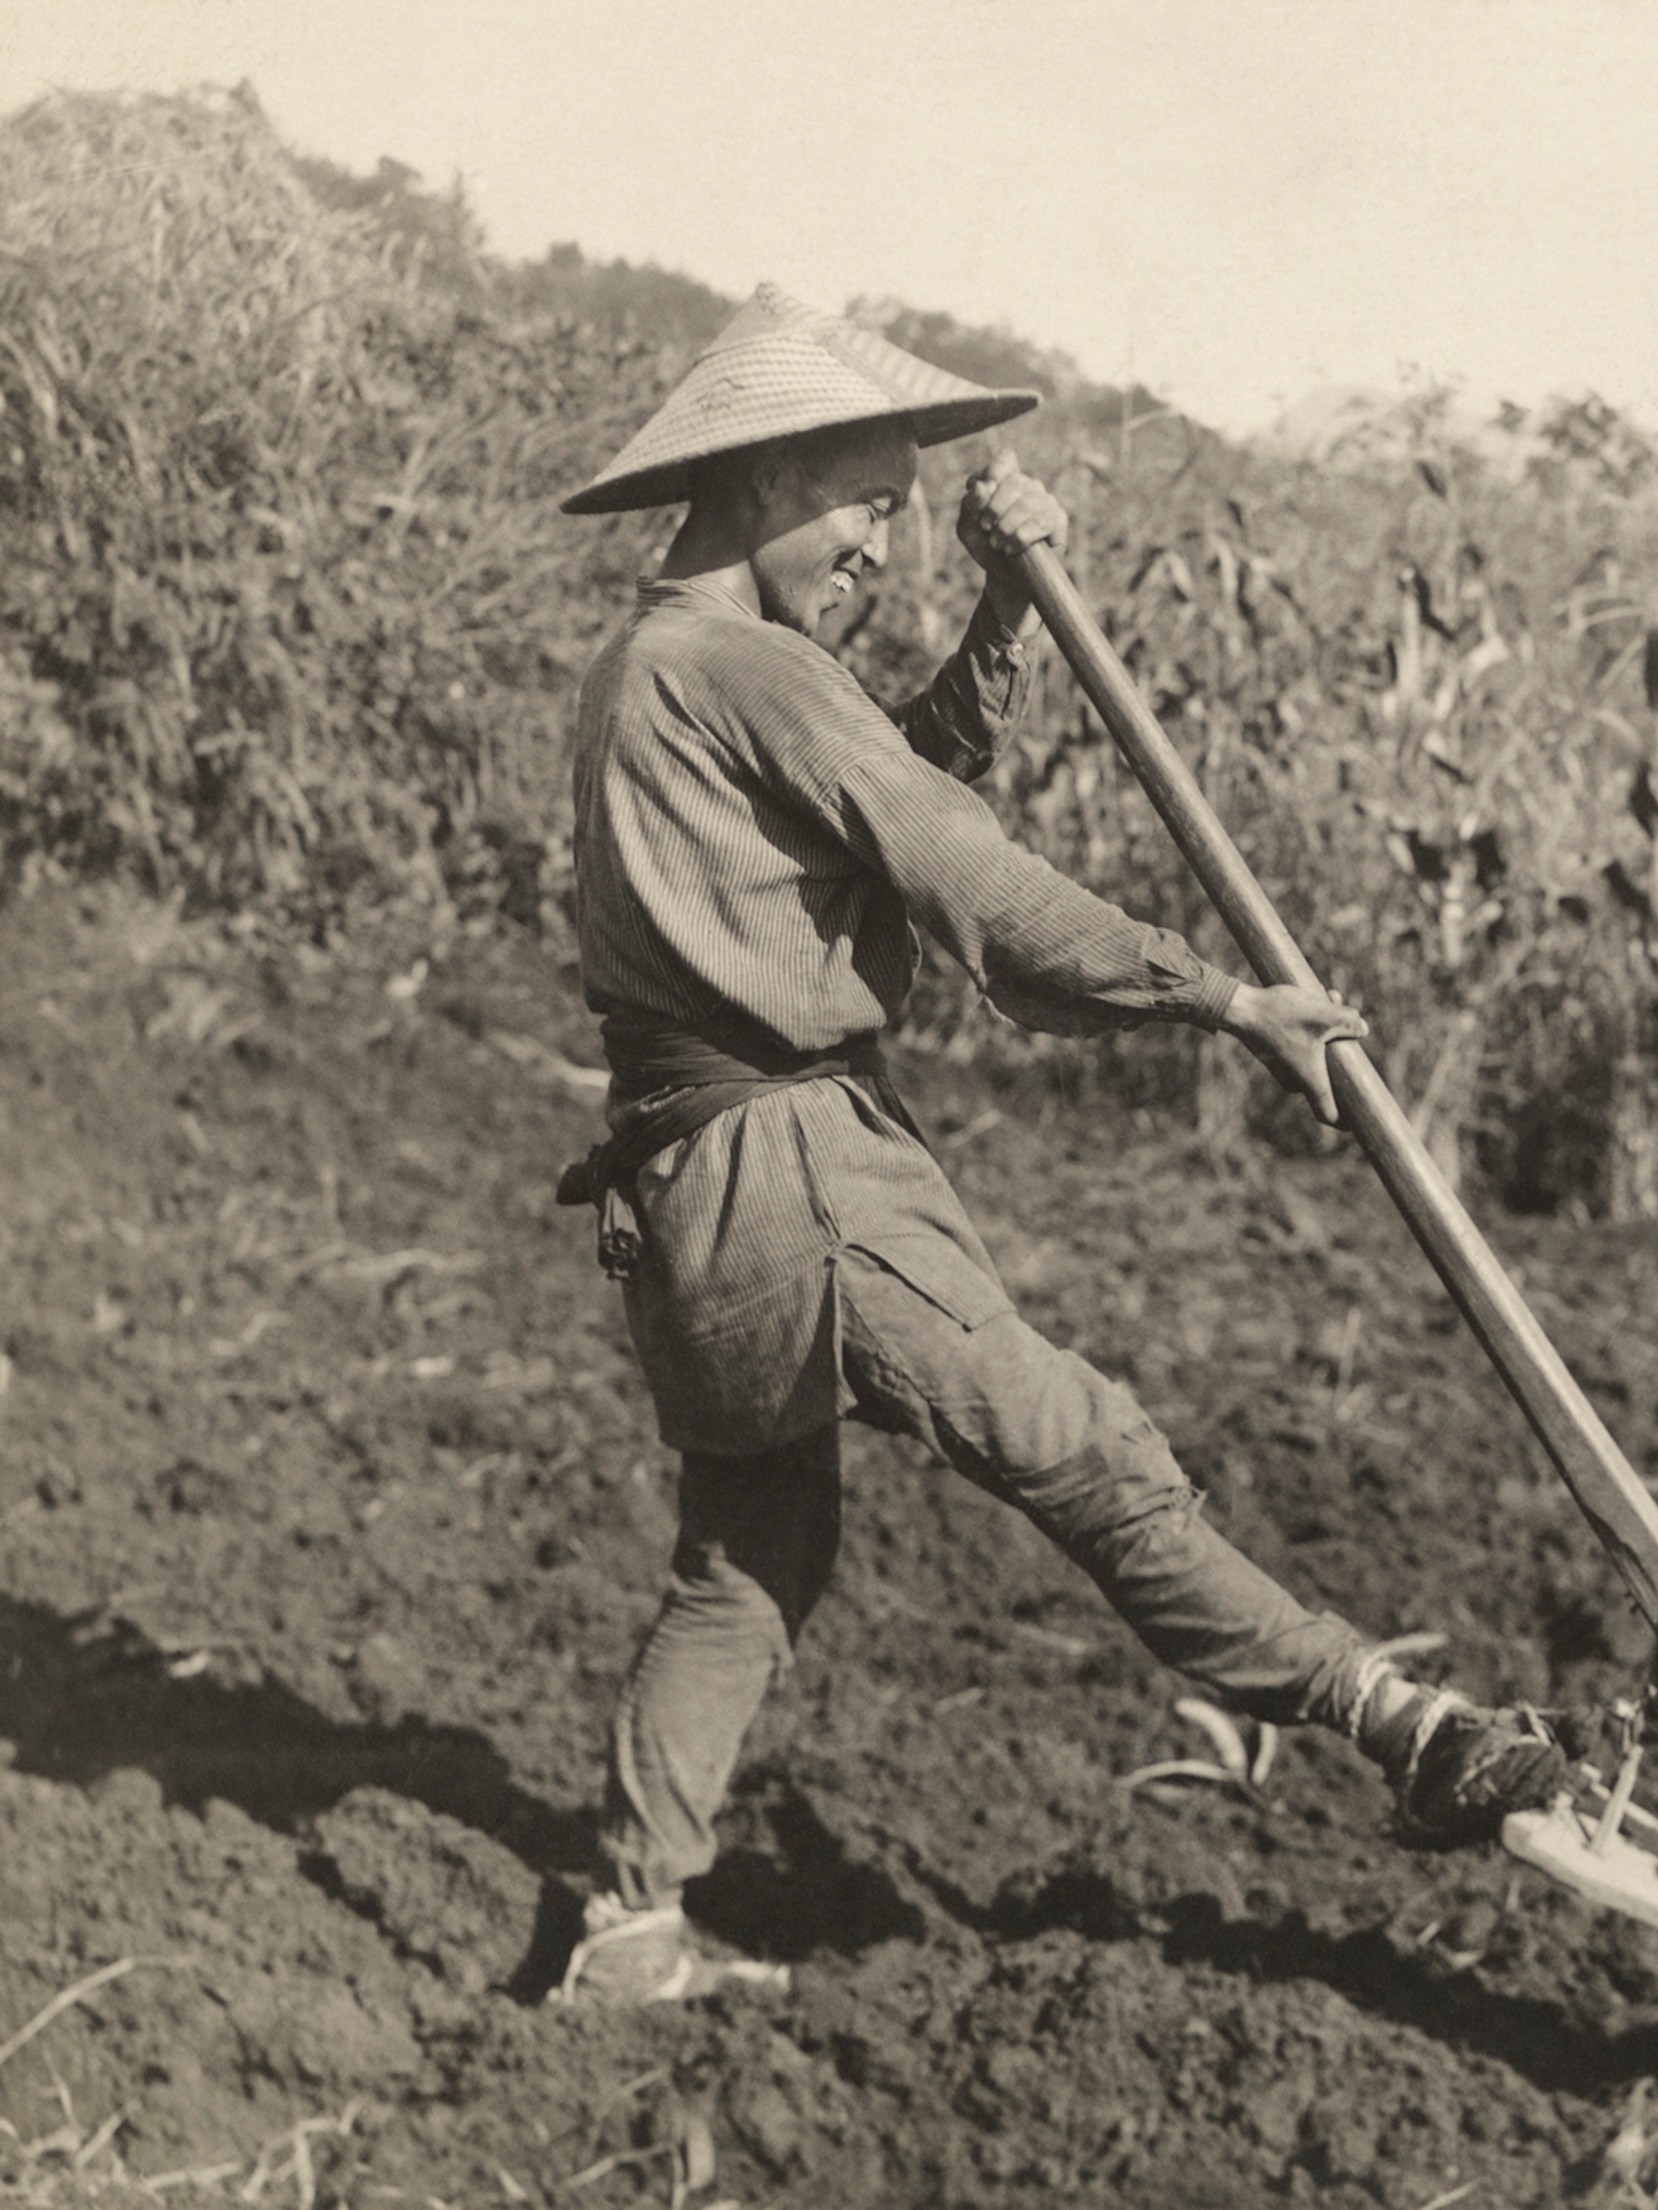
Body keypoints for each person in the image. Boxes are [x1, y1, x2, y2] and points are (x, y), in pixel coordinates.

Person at [545, 284, 1567, 2006]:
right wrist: (1221, 1000)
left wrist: (1008, 614)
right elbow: (969, 878)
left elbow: (875, 803)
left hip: (687, 1188)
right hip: (796, 1166)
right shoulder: (743, 664)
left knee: (749, 1560)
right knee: (1082, 1446)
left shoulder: (660, 663)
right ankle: (1397, 1722)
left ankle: (630, 1930)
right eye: (870, 497)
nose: (884, 540)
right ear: (767, 475)